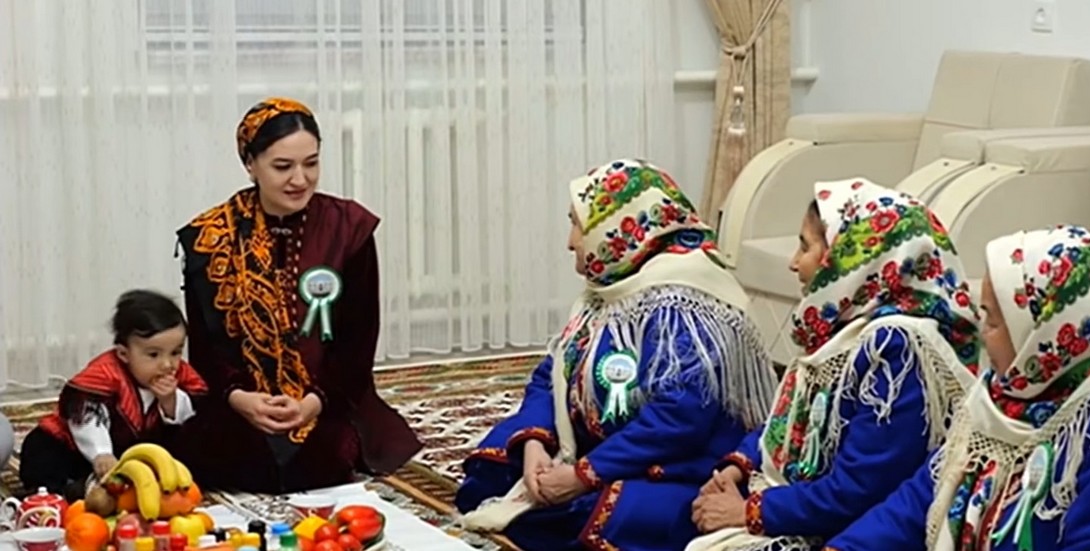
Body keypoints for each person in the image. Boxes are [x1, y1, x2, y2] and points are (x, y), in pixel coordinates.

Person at [824, 225, 1090, 551]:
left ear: (1045, 331)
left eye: (993, 321)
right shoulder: (1009, 397)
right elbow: (918, 501)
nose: (982, 334)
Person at [454, 158, 778, 551]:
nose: (570, 241)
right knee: (490, 473)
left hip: (675, 461)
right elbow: (552, 373)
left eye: (577, 225)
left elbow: (680, 417)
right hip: (601, 444)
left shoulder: (684, 303)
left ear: (616, 230)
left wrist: (584, 475)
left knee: (606, 520)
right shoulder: (612, 285)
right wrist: (535, 447)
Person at [686, 178, 982, 551]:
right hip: (804, 506)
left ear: (849, 259)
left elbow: (861, 488)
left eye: (806, 247)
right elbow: (791, 420)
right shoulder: (844, 325)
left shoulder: (896, 348)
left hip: (849, 533)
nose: (794, 263)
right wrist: (738, 467)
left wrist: (748, 511)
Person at [173, 97, 420, 493]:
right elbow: (205, 349)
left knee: (319, 462)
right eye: (283, 166)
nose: (300, 179)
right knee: (222, 458)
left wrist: (311, 403)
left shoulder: (348, 228)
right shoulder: (209, 238)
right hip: (240, 402)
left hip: (327, 401)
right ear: (250, 164)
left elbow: (357, 342)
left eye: (311, 163)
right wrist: (240, 399)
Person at [19, 290, 207, 500]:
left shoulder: (179, 373)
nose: (167, 364)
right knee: (41, 452)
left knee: (182, 454)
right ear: (123, 354)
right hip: (74, 445)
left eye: (175, 352)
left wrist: (169, 401)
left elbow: (192, 410)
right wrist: (100, 453)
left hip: (129, 446)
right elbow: (87, 416)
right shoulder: (105, 374)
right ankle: (69, 488)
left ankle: (112, 487)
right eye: (153, 355)